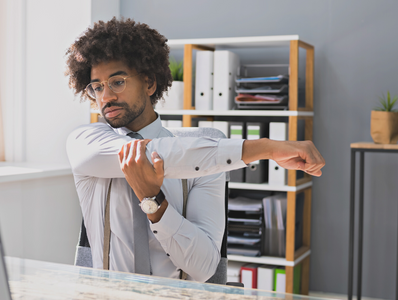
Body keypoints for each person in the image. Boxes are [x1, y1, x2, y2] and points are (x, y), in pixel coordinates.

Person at [65, 17, 325, 282]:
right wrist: (266, 148)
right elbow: (158, 153)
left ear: (150, 83)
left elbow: (204, 269)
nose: (105, 97)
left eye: (117, 82)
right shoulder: (85, 142)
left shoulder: (208, 165)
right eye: (97, 87)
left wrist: (155, 204)